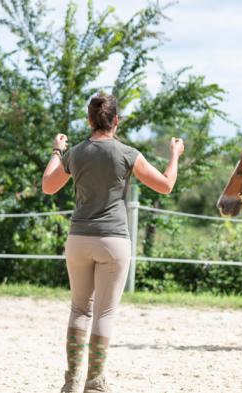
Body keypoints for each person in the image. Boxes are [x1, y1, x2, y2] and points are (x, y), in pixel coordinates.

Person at [42, 92, 185, 392]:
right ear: (116, 121)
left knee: (80, 309)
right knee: (105, 313)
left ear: (89, 121)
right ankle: (94, 382)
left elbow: (48, 186)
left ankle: (70, 381)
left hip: (79, 238)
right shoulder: (127, 154)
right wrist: (175, 155)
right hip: (113, 241)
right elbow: (166, 185)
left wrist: (57, 151)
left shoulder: (76, 152)